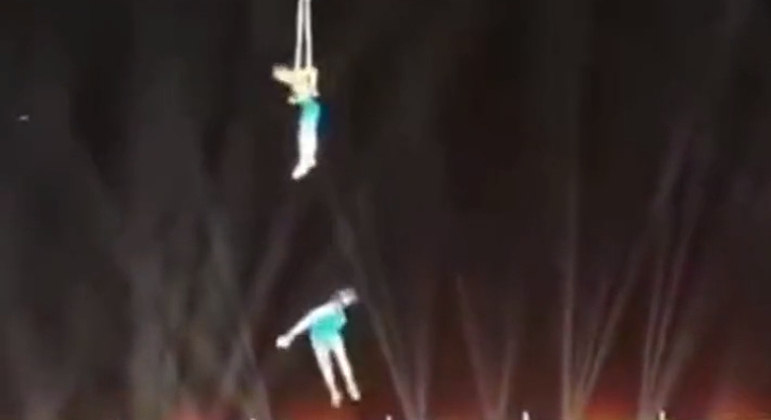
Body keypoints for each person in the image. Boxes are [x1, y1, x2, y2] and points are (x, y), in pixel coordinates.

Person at [276, 287, 361, 407]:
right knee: (327, 367)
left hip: (331, 337)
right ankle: (335, 392)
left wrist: (290, 335)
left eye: (350, 301)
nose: (348, 303)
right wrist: (290, 335)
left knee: (342, 362)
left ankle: (350, 387)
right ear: (340, 298)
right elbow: (307, 320)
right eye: (347, 299)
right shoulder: (328, 308)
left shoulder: (341, 314)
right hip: (319, 340)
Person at [272, 65, 321, 180]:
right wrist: (296, 99)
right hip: (310, 107)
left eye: (279, 76)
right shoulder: (294, 81)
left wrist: (313, 87)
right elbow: (304, 95)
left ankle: (305, 160)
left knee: (306, 133)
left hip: (310, 107)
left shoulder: (296, 76)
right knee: (307, 133)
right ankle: (308, 158)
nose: (281, 80)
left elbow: (313, 71)